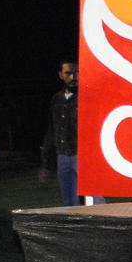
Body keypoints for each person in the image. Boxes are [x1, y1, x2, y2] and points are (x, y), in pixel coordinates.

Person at [41, 57, 97, 206]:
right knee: (69, 202)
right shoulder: (57, 99)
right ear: (61, 75)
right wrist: (47, 162)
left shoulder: (88, 96)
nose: (73, 77)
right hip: (63, 155)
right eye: (68, 73)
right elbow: (52, 129)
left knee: (94, 199)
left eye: (77, 72)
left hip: (84, 155)